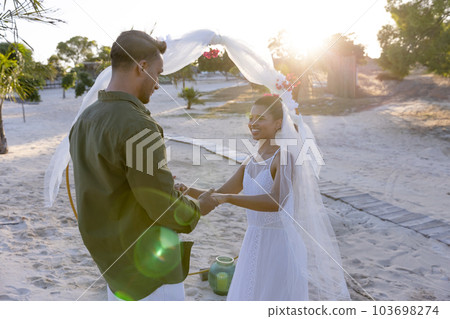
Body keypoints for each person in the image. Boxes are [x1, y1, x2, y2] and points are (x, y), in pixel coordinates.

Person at [69, 30, 218, 301]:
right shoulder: (138, 124)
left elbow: (110, 184)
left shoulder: (84, 121)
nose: (158, 84)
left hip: (114, 271)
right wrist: (200, 207)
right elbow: (163, 208)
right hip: (150, 277)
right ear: (142, 67)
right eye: (158, 74)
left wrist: (159, 182)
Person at [175, 95, 350, 300]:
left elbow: (277, 202)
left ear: (278, 123)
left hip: (278, 246)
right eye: (251, 117)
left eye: (261, 118)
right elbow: (220, 193)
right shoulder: (250, 160)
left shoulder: (283, 157)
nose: (253, 123)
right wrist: (187, 190)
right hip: (252, 241)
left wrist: (229, 198)